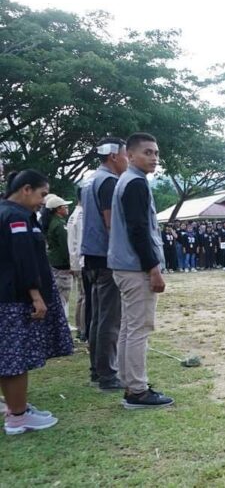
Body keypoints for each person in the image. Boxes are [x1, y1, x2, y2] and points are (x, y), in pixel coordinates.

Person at [1, 169, 73, 435]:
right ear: (26, 189)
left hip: (9, 295)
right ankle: (18, 417)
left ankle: (16, 408)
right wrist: (35, 295)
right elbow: (23, 259)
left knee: (9, 358)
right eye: (42, 194)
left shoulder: (9, 212)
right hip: (15, 298)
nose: (44, 200)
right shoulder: (16, 217)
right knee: (14, 359)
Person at [108, 133, 173, 409]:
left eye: (156, 153)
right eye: (147, 152)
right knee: (139, 328)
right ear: (130, 155)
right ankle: (137, 390)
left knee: (128, 328)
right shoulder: (134, 183)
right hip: (135, 268)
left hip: (124, 266)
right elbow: (138, 231)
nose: (154, 158)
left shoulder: (128, 181)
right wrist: (153, 269)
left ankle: (130, 383)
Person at [81, 137, 127, 391]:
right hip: (107, 257)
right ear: (113, 156)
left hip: (91, 257)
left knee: (97, 317)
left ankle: (97, 370)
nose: (127, 160)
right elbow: (111, 223)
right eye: (125, 155)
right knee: (110, 319)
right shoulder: (108, 182)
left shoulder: (90, 180)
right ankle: (108, 375)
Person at [45, 195, 73, 317]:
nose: (67, 208)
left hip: (54, 262)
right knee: (63, 294)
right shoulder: (59, 225)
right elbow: (65, 246)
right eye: (64, 206)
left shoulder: (52, 222)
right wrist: (71, 262)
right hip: (62, 264)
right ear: (58, 209)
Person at [66, 187, 87, 340]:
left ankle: (81, 327)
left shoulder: (73, 215)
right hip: (81, 260)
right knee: (85, 296)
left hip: (75, 260)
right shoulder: (82, 215)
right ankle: (84, 328)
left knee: (81, 296)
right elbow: (81, 240)